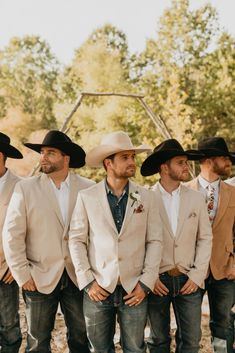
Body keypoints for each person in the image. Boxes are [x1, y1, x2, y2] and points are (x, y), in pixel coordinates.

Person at [68, 131, 163, 353]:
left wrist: (146, 283)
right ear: (108, 163)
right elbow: (76, 240)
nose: (132, 162)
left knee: (135, 349)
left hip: (135, 289)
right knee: (99, 349)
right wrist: (88, 281)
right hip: (98, 289)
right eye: (125, 157)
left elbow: (155, 241)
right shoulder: (87, 197)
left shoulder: (147, 197)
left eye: (132, 156)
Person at [3, 130, 95, 353]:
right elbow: (12, 234)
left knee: (82, 338)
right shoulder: (24, 188)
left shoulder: (89, 188)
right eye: (42, 152)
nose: (43, 157)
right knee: (37, 342)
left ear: (66, 158)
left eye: (50, 152)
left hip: (78, 276)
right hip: (38, 276)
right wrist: (22, 274)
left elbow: (96, 235)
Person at [140, 138, 212, 353]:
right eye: (180, 162)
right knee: (157, 340)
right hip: (157, 280)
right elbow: (138, 241)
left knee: (190, 341)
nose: (186, 167)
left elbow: (205, 238)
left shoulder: (197, 198)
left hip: (188, 279)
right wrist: (149, 277)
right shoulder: (143, 198)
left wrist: (197, 275)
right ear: (164, 167)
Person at [186, 137, 235, 353]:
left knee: (223, 325)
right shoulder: (184, 191)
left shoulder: (234, 192)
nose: (228, 162)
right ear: (207, 160)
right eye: (224, 157)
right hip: (190, 271)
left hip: (225, 270)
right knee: (189, 329)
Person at [0, 132, 23, 353]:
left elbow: (27, 230)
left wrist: (13, 264)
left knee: (9, 327)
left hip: (6, 269)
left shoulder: (21, 186)